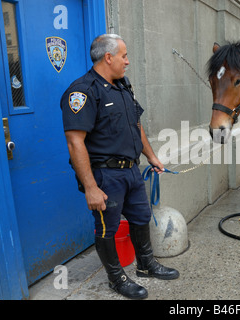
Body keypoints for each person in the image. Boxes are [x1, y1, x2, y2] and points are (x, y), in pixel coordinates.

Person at [61, 34, 179, 299]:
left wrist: (151, 156)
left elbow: (136, 125)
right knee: (107, 229)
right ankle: (117, 278)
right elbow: (74, 142)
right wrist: (91, 187)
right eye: (124, 56)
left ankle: (146, 265)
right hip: (105, 175)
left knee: (141, 218)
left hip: (131, 171)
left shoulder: (123, 85)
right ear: (108, 57)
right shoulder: (83, 91)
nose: (127, 61)